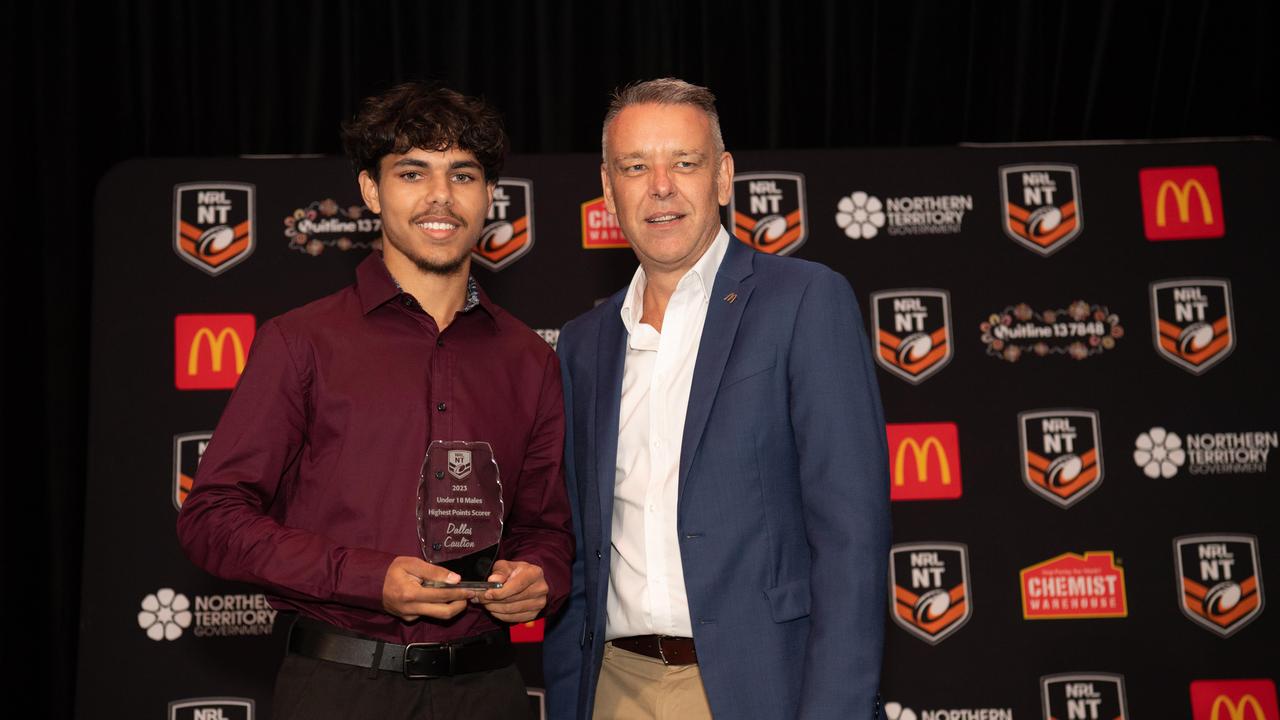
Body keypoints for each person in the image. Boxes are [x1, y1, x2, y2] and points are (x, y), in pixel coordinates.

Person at [177, 82, 572, 720]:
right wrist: (367, 579)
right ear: (370, 190)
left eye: (462, 174)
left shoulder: (531, 360)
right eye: (413, 172)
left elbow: (545, 530)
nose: (441, 196)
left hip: (489, 689)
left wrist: (540, 578)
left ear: (488, 196)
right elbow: (211, 518)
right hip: (339, 688)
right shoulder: (300, 342)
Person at [542, 78, 891, 720]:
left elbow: (852, 537)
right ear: (608, 185)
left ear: (724, 177)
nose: (661, 186)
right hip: (614, 688)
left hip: (764, 688)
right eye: (636, 166)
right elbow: (580, 556)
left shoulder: (804, 302)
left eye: (685, 162)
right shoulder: (584, 345)